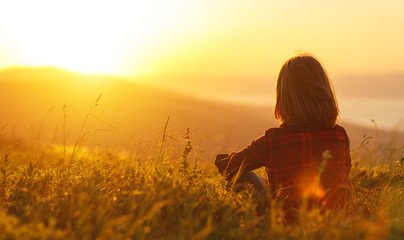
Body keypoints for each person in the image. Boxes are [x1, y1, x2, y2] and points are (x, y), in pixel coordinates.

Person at [215, 54, 352, 217]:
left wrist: (264, 183)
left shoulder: (274, 140)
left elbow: (229, 166)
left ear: (284, 99)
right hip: (332, 218)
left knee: (243, 178)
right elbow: (344, 172)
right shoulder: (339, 135)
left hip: (286, 219)